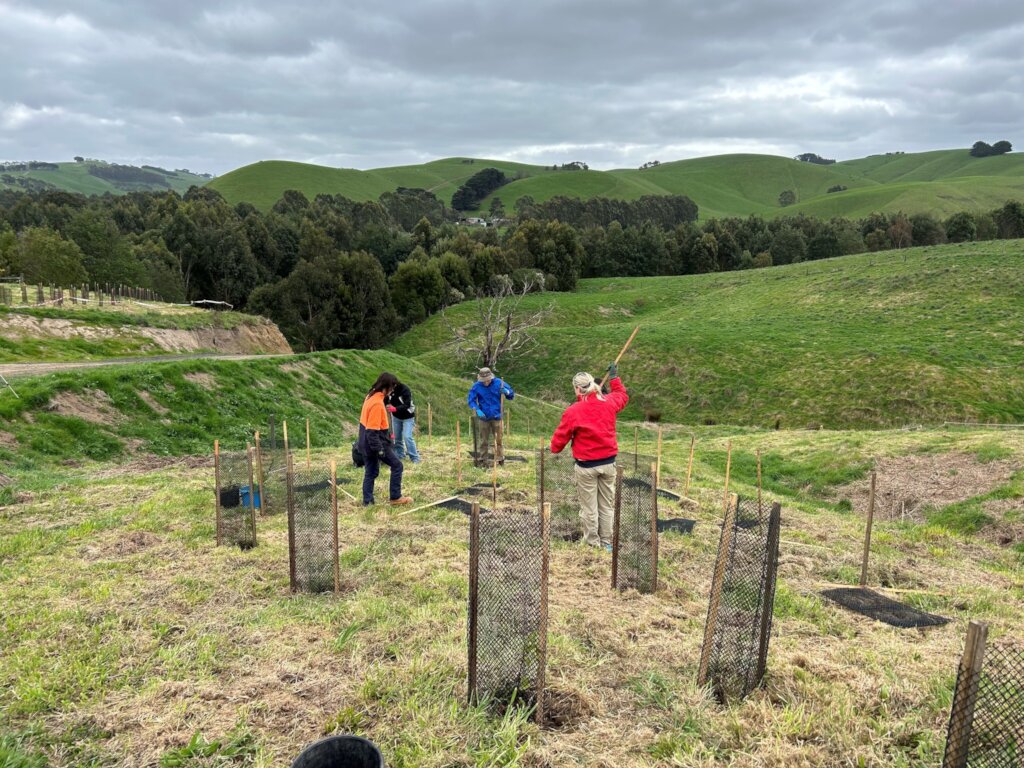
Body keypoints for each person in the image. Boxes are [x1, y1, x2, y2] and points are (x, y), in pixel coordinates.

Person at [550, 363, 628, 550]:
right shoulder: (608, 402)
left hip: (586, 467)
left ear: (577, 388)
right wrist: (615, 378)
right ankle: (607, 542)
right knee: (606, 506)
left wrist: (554, 448)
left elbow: (558, 441)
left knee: (589, 508)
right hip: (609, 464)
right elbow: (622, 396)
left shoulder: (573, 411)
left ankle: (593, 544)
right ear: (593, 384)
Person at [358, 372, 413, 506]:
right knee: (397, 465)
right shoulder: (377, 404)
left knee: (371, 471)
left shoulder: (370, 396)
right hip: (375, 442)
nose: (393, 390)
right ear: (386, 386)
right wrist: (380, 450)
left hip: (364, 441)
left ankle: (368, 501)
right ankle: (395, 497)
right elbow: (372, 431)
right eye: (392, 387)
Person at [466, 367, 514, 467]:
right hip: (484, 418)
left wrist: (506, 392)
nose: (485, 382)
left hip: (497, 416)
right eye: (483, 381)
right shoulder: (476, 386)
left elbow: (511, 395)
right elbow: (471, 400)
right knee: (483, 440)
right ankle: (483, 460)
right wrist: (477, 409)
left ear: (491, 377)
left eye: (487, 380)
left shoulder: (499, 383)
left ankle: (500, 459)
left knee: (498, 440)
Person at [385, 378, 421, 464]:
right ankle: (400, 455)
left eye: (390, 387)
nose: (389, 389)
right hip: (396, 417)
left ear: (395, 385)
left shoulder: (405, 390)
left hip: (408, 417)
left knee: (407, 437)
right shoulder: (389, 391)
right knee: (397, 438)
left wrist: (395, 409)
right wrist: (386, 405)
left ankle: (415, 458)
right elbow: (386, 400)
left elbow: (407, 404)